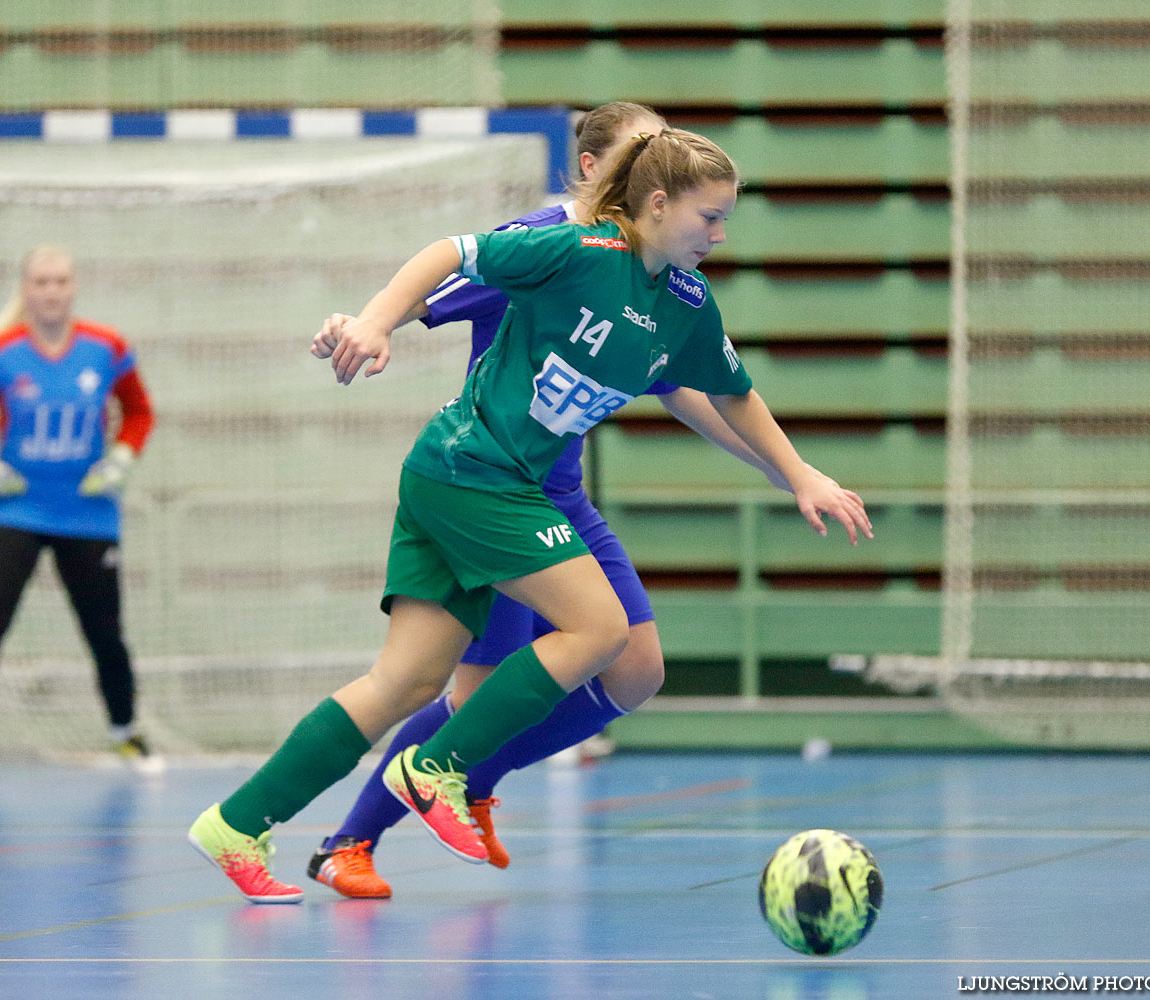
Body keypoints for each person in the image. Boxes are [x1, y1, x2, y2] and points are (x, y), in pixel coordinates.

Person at [187, 127, 871, 904]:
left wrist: (800, 473)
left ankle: (237, 822)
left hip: (472, 478)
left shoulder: (683, 301)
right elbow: (450, 253)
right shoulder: (575, 249)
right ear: (655, 202)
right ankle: (436, 770)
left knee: (406, 681)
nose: (720, 234)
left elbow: (728, 393)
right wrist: (375, 320)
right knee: (600, 630)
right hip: (479, 475)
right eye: (709, 217)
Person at [0, 246, 159, 781]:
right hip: (14, 510)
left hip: (89, 513)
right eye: (41, 282)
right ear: (25, 290)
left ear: (73, 288)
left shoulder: (106, 348)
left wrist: (121, 457)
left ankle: (126, 732)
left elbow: (140, 410)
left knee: (104, 631)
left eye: (60, 281)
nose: (51, 291)